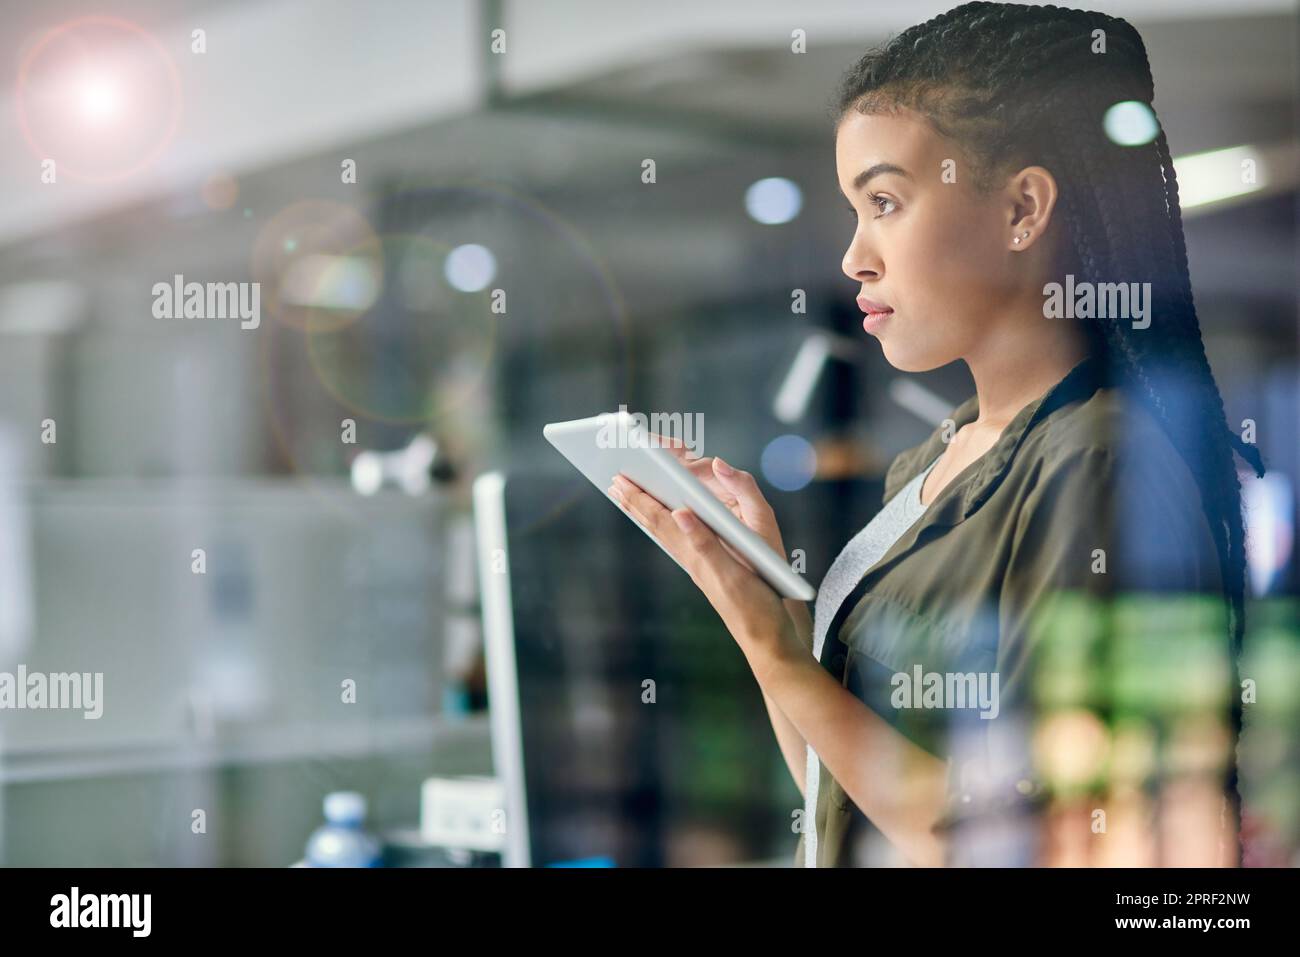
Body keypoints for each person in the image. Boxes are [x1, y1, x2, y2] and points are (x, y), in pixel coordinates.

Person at [607, 1, 1264, 867]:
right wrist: (773, 614)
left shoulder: (1098, 462)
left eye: (884, 200)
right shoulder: (936, 460)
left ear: (1023, 208)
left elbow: (1030, 846)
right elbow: (840, 799)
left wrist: (778, 654)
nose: (854, 256)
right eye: (855, 208)